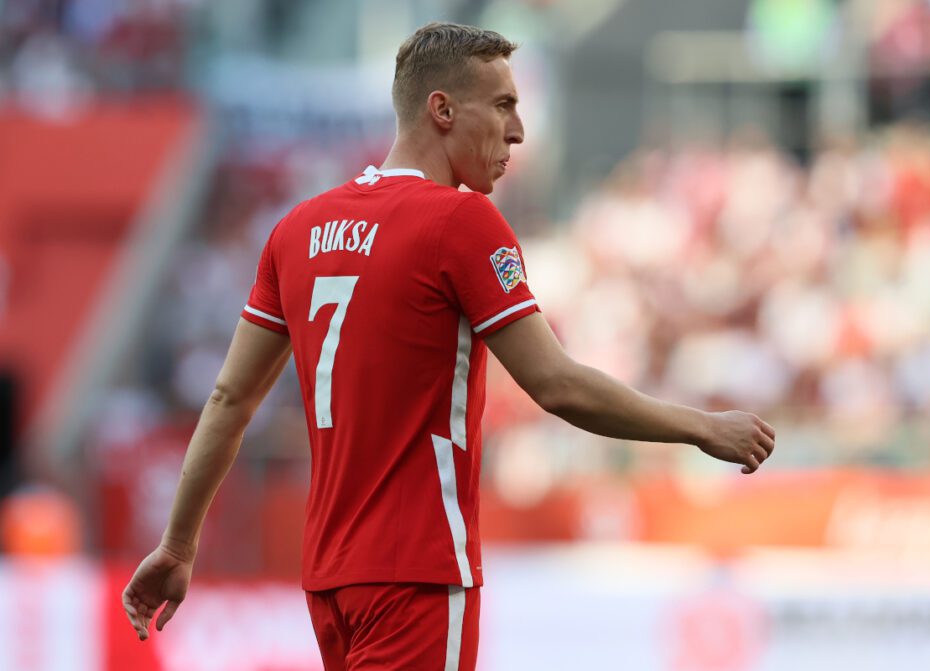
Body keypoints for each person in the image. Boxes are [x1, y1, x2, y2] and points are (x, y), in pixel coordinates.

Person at [122, 21, 776, 671]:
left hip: (329, 580)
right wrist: (700, 427)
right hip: (419, 572)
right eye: (503, 106)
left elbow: (229, 396)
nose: (516, 132)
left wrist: (178, 545)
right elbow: (556, 384)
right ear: (442, 110)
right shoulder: (461, 222)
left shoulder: (297, 229)